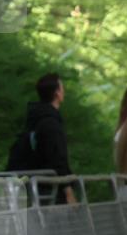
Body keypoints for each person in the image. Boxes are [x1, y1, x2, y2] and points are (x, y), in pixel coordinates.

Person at [7, 72, 76, 204]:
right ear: (57, 93)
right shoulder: (51, 124)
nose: (64, 91)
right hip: (49, 189)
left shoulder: (34, 119)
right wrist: (68, 191)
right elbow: (58, 159)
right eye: (62, 88)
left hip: (33, 186)